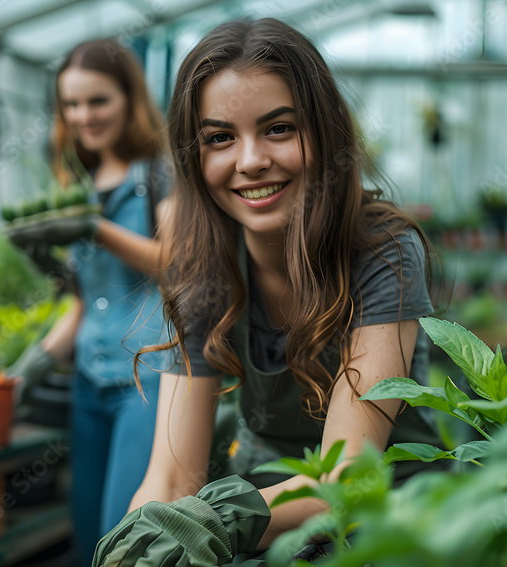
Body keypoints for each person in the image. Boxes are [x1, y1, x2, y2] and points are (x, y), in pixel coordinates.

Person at [94, 18, 441, 566]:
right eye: (220, 138)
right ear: (195, 157)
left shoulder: (382, 254)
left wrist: (217, 520)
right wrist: (142, 538)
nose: (251, 160)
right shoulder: (206, 271)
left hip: (391, 523)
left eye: (279, 128)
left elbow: (348, 477)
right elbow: (172, 472)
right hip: (265, 514)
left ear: (324, 134)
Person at [3, 38, 172, 567]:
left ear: (130, 98)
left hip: (147, 380)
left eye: (97, 101)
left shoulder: (162, 171)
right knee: (84, 539)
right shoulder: (78, 178)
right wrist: (31, 365)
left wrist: (94, 227)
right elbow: (85, 301)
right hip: (89, 386)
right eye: (71, 104)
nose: (83, 116)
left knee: (121, 540)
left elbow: (177, 263)